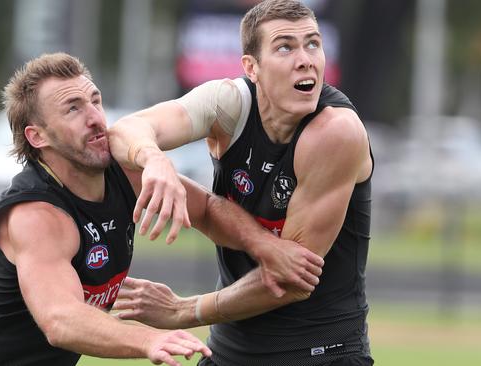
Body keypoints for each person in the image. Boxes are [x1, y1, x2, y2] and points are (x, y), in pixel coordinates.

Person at [0, 52, 324, 366]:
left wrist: (265, 247)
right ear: (37, 136)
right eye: (72, 109)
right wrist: (151, 339)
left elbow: (204, 209)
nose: (95, 118)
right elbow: (60, 320)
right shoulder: (36, 214)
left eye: (95, 100)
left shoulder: (123, 175)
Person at [108, 1, 374, 365]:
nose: (305, 59)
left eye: (313, 44)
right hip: (230, 350)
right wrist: (154, 160)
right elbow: (125, 131)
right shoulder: (229, 105)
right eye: (285, 47)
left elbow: (290, 281)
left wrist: (183, 310)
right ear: (251, 67)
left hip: (319, 353)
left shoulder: (335, 131)